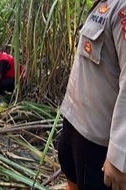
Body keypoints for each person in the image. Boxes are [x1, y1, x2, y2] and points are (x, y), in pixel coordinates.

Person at [58, 0, 126, 190]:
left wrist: (119, 155)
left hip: (97, 141)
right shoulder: (103, 4)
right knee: (71, 175)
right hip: (74, 123)